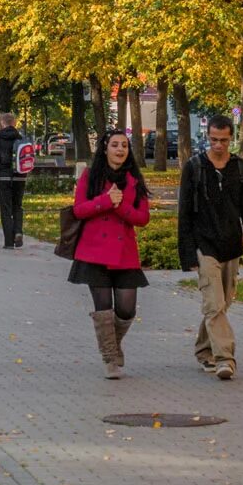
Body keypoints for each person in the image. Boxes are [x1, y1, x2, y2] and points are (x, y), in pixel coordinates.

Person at [177, 113, 243, 381]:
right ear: (208, 137)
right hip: (205, 246)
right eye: (214, 139)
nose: (218, 145)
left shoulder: (241, 169)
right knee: (214, 304)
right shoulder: (194, 168)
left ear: (231, 138)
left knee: (221, 304)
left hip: (231, 246)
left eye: (224, 140)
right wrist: (187, 253)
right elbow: (184, 214)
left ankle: (204, 351)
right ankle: (225, 358)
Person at [66, 129, 151, 379]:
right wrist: (105, 200)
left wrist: (120, 205)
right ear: (105, 149)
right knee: (104, 308)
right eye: (115, 145)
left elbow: (143, 218)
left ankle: (112, 345)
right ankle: (110, 358)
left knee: (126, 309)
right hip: (94, 252)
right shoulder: (90, 176)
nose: (120, 150)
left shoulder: (135, 179)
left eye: (124, 145)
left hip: (125, 253)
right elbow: (79, 210)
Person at [0, 112, 27, 248]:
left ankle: (8, 242)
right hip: (20, 176)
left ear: (2, 123)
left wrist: (0, 167)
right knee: (17, 205)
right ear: (14, 123)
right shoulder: (22, 139)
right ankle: (18, 231)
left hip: (4, 176)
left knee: (5, 208)